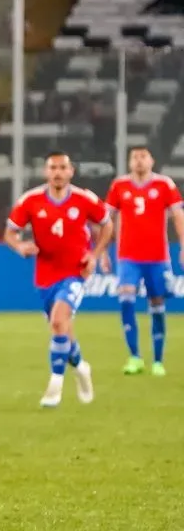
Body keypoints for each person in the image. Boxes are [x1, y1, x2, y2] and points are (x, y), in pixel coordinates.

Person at [5, 151, 114, 407]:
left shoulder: (84, 199)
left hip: (75, 273)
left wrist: (94, 255)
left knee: (58, 321)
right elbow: (10, 233)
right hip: (45, 276)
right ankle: (81, 368)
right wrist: (20, 247)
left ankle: (55, 385)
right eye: (53, 167)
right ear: (46, 172)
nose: (58, 172)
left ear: (70, 171)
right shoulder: (30, 201)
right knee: (62, 328)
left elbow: (107, 225)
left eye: (62, 167)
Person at [104, 146, 184, 376]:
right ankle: (135, 357)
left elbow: (178, 215)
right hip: (128, 257)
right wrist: (102, 252)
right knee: (126, 297)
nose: (139, 161)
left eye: (143, 156)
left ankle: (158, 360)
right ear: (129, 163)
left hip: (157, 257)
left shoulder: (164, 185)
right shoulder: (119, 186)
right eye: (134, 157)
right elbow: (105, 219)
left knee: (157, 304)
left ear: (152, 160)